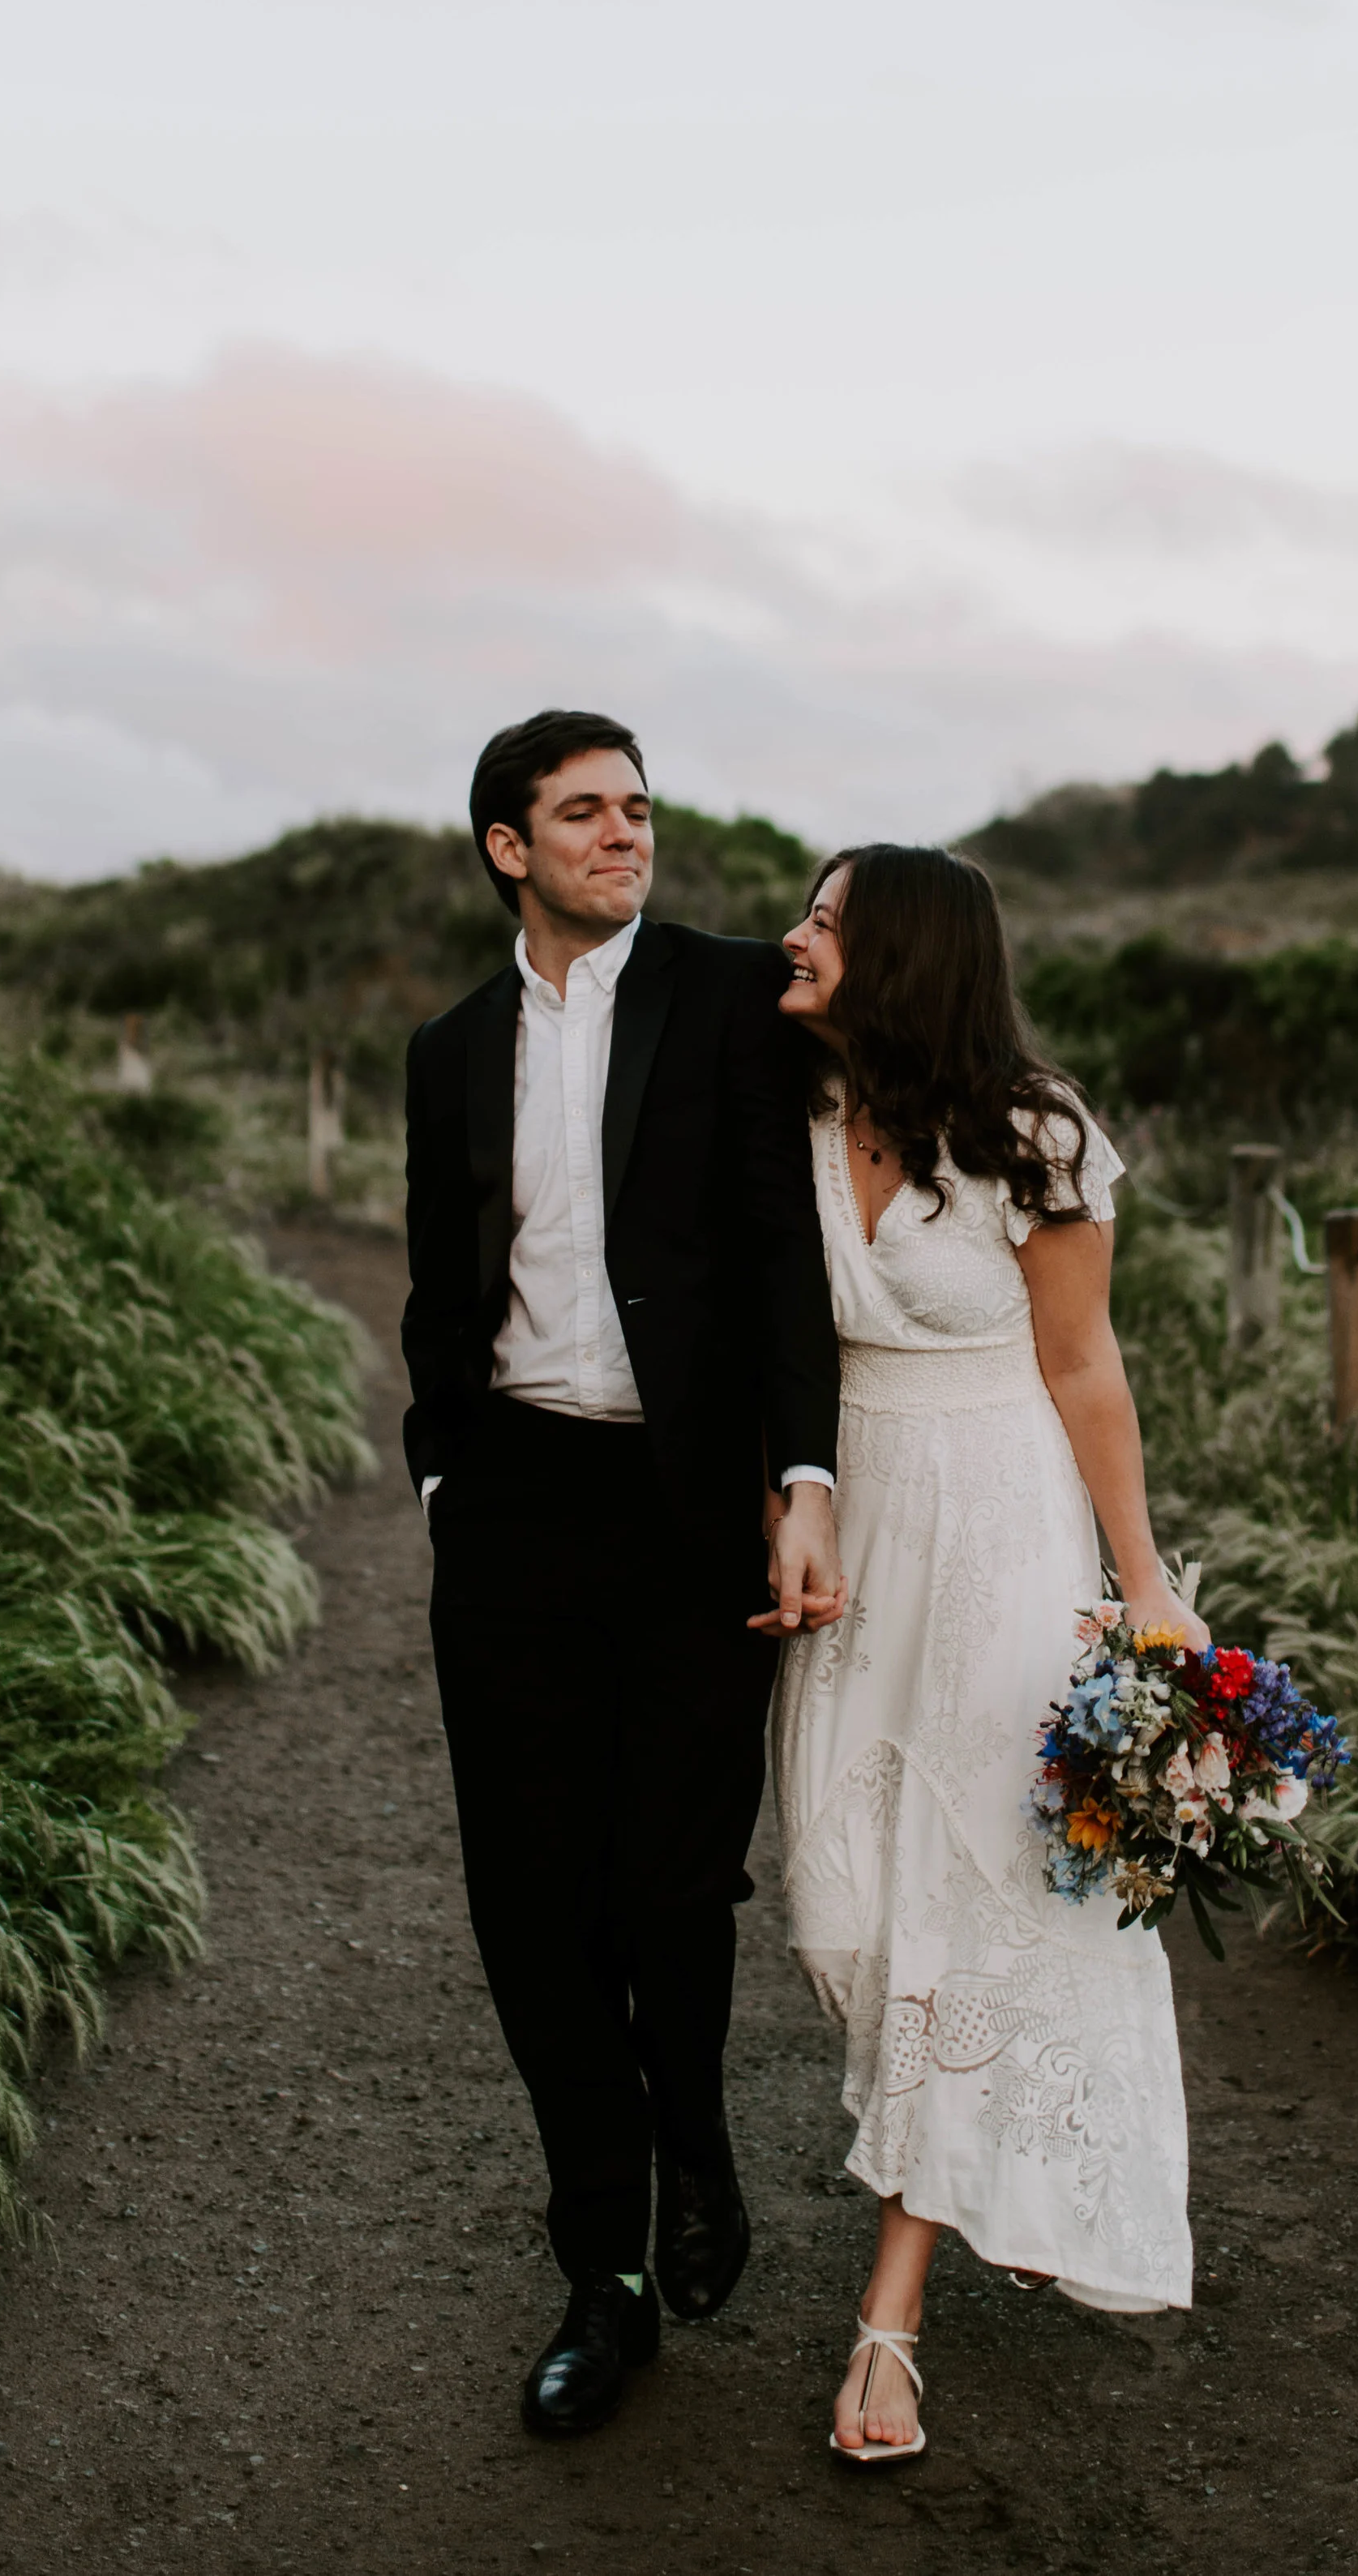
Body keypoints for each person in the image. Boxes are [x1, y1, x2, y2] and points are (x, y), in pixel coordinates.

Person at [400, 711, 844, 2441]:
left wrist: (799, 1473)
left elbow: (787, 1256)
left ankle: (695, 2143)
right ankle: (610, 2269)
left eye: (636, 808)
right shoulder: (446, 1049)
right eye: (581, 812)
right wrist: (442, 1473)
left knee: (668, 1880)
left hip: (685, 1509)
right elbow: (446, 1286)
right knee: (530, 1901)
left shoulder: (730, 997)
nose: (621, 834)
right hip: (513, 1497)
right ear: (507, 845)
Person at [770, 843, 1205, 2464]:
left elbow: (1083, 1365)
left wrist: (1142, 1585)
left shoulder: (1036, 1134)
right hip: (855, 1528)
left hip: (1003, 1533)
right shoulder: (796, 1115)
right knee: (837, 1906)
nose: (794, 936)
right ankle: (967, 2150)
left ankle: (890, 2318)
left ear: (902, 954)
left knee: (964, 1900)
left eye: (824, 919)